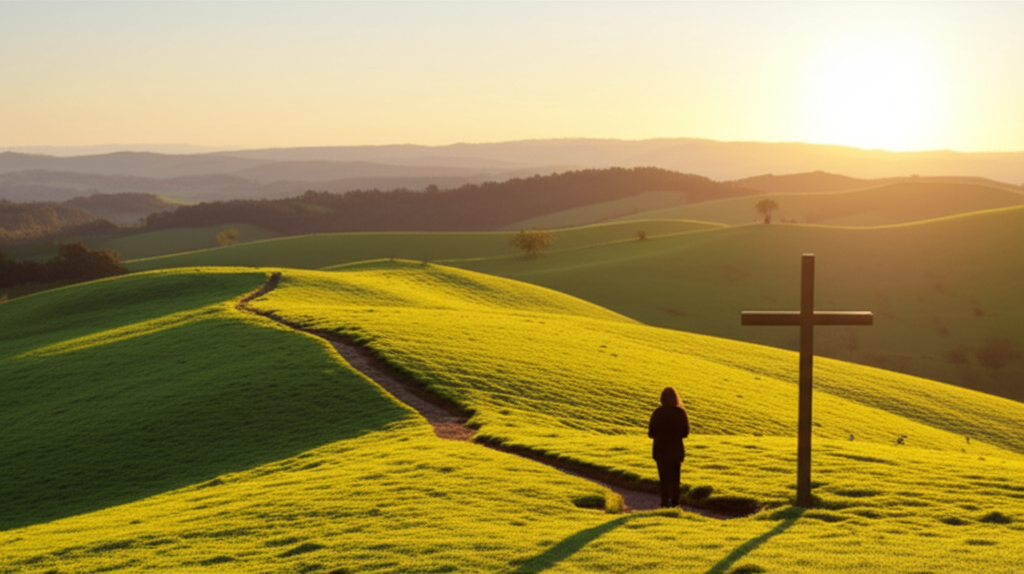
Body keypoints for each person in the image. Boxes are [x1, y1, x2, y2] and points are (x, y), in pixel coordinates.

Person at [648, 386, 690, 507]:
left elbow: (651, 433)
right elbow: (685, 433)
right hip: (675, 451)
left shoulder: (657, 413)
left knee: (664, 479)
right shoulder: (680, 413)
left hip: (660, 451)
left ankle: (664, 502)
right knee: (675, 479)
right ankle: (675, 503)